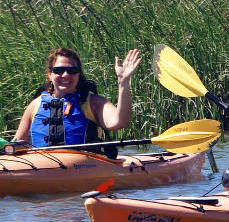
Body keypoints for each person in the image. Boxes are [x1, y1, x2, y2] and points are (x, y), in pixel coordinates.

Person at [13, 47, 141, 151]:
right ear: (50, 74)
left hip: (85, 166)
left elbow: (119, 122)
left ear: (79, 74)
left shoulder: (93, 102)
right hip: (40, 165)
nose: (65, 75)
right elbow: (18, 142)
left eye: (72, 70)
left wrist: (123, 82)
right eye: (59, 70)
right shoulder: (35, 104)